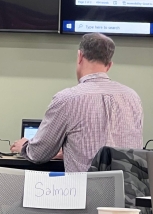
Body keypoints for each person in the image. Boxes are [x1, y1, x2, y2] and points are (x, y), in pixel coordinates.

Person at [10, 33, 143, 172]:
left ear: (79, 56)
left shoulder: (67, 99)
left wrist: (24, 146)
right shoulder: (133, 98)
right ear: (109, 65)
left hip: (86, 191)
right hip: (128, 191)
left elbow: (39, 154)